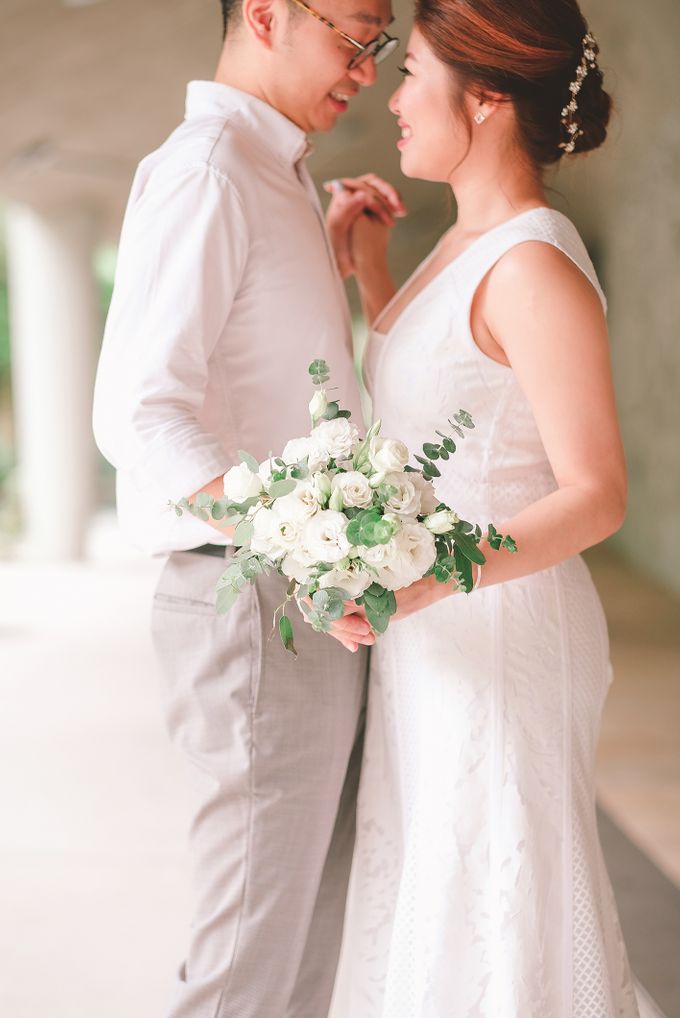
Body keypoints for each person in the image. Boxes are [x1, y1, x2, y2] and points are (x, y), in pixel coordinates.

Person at [326, 0, 641, 1014]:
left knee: (491, 892)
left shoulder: (533, 263)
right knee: (436, 886)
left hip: (496, 626)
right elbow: (453, 392)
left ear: (488, 95)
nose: (393, 95)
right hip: (436, 627)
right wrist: (371, 274)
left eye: (412, 70)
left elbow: (595, 494)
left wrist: (431, 574)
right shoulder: (465, 240)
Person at [91, 0, 405, 1014]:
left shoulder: (272, 171)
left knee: (301, 938)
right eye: (354, 35)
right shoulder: (210, 170)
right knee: (248, 960)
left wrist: (324, 248)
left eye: (377, 45)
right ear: (267, 14)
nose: (365, 68)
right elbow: (140, 414)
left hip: (289, 593)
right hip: (256, 596)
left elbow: (254, 375)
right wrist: (301, 542)